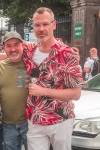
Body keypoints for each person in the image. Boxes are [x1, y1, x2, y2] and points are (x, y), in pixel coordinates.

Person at [21, 7, 83, 150]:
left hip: (60, 120)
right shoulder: (29, 52)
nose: (41, 28)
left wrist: (43, 91)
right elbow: (7, 54)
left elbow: (76, 94)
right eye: (37, 25)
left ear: (53, 25)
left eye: (45, 24)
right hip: (35, 120)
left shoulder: (67, 54)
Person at [0, 31, 28, 150]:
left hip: (30, 122)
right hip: (8, 123)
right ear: (3, 47)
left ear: (22, 45)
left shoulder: (31, 62)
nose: (13, 49)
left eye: (16, 44)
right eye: (8, 46)